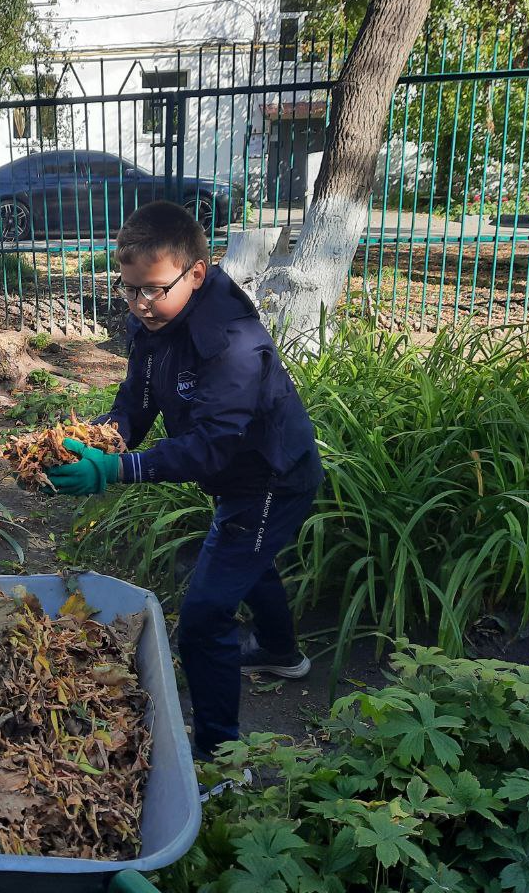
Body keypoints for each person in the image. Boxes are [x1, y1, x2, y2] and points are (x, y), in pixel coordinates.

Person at [46, 201, 323, 760]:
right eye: (128, 290)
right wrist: (104, 438)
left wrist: (118, 469)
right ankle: (280, 651)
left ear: (196, 272)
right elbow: (138, 399)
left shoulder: (233, 344)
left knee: (203, 617)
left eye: (151, 290)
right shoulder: (156, 315)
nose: (138, 304)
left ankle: (222, 759)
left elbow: (211, 448)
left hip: (270, 478)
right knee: (249, 557)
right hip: (236, 475)